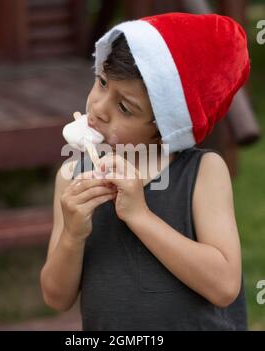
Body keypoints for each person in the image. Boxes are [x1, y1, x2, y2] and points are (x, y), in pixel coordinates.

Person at [40, 13, 250, 330]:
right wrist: (72, 234)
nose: (98, 107)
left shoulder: (202, 173)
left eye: (125, 107)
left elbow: (224, 287)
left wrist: (140, 215)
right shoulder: (72, 176)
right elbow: (56, 298)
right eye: (102, 82)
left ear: (168, 127)